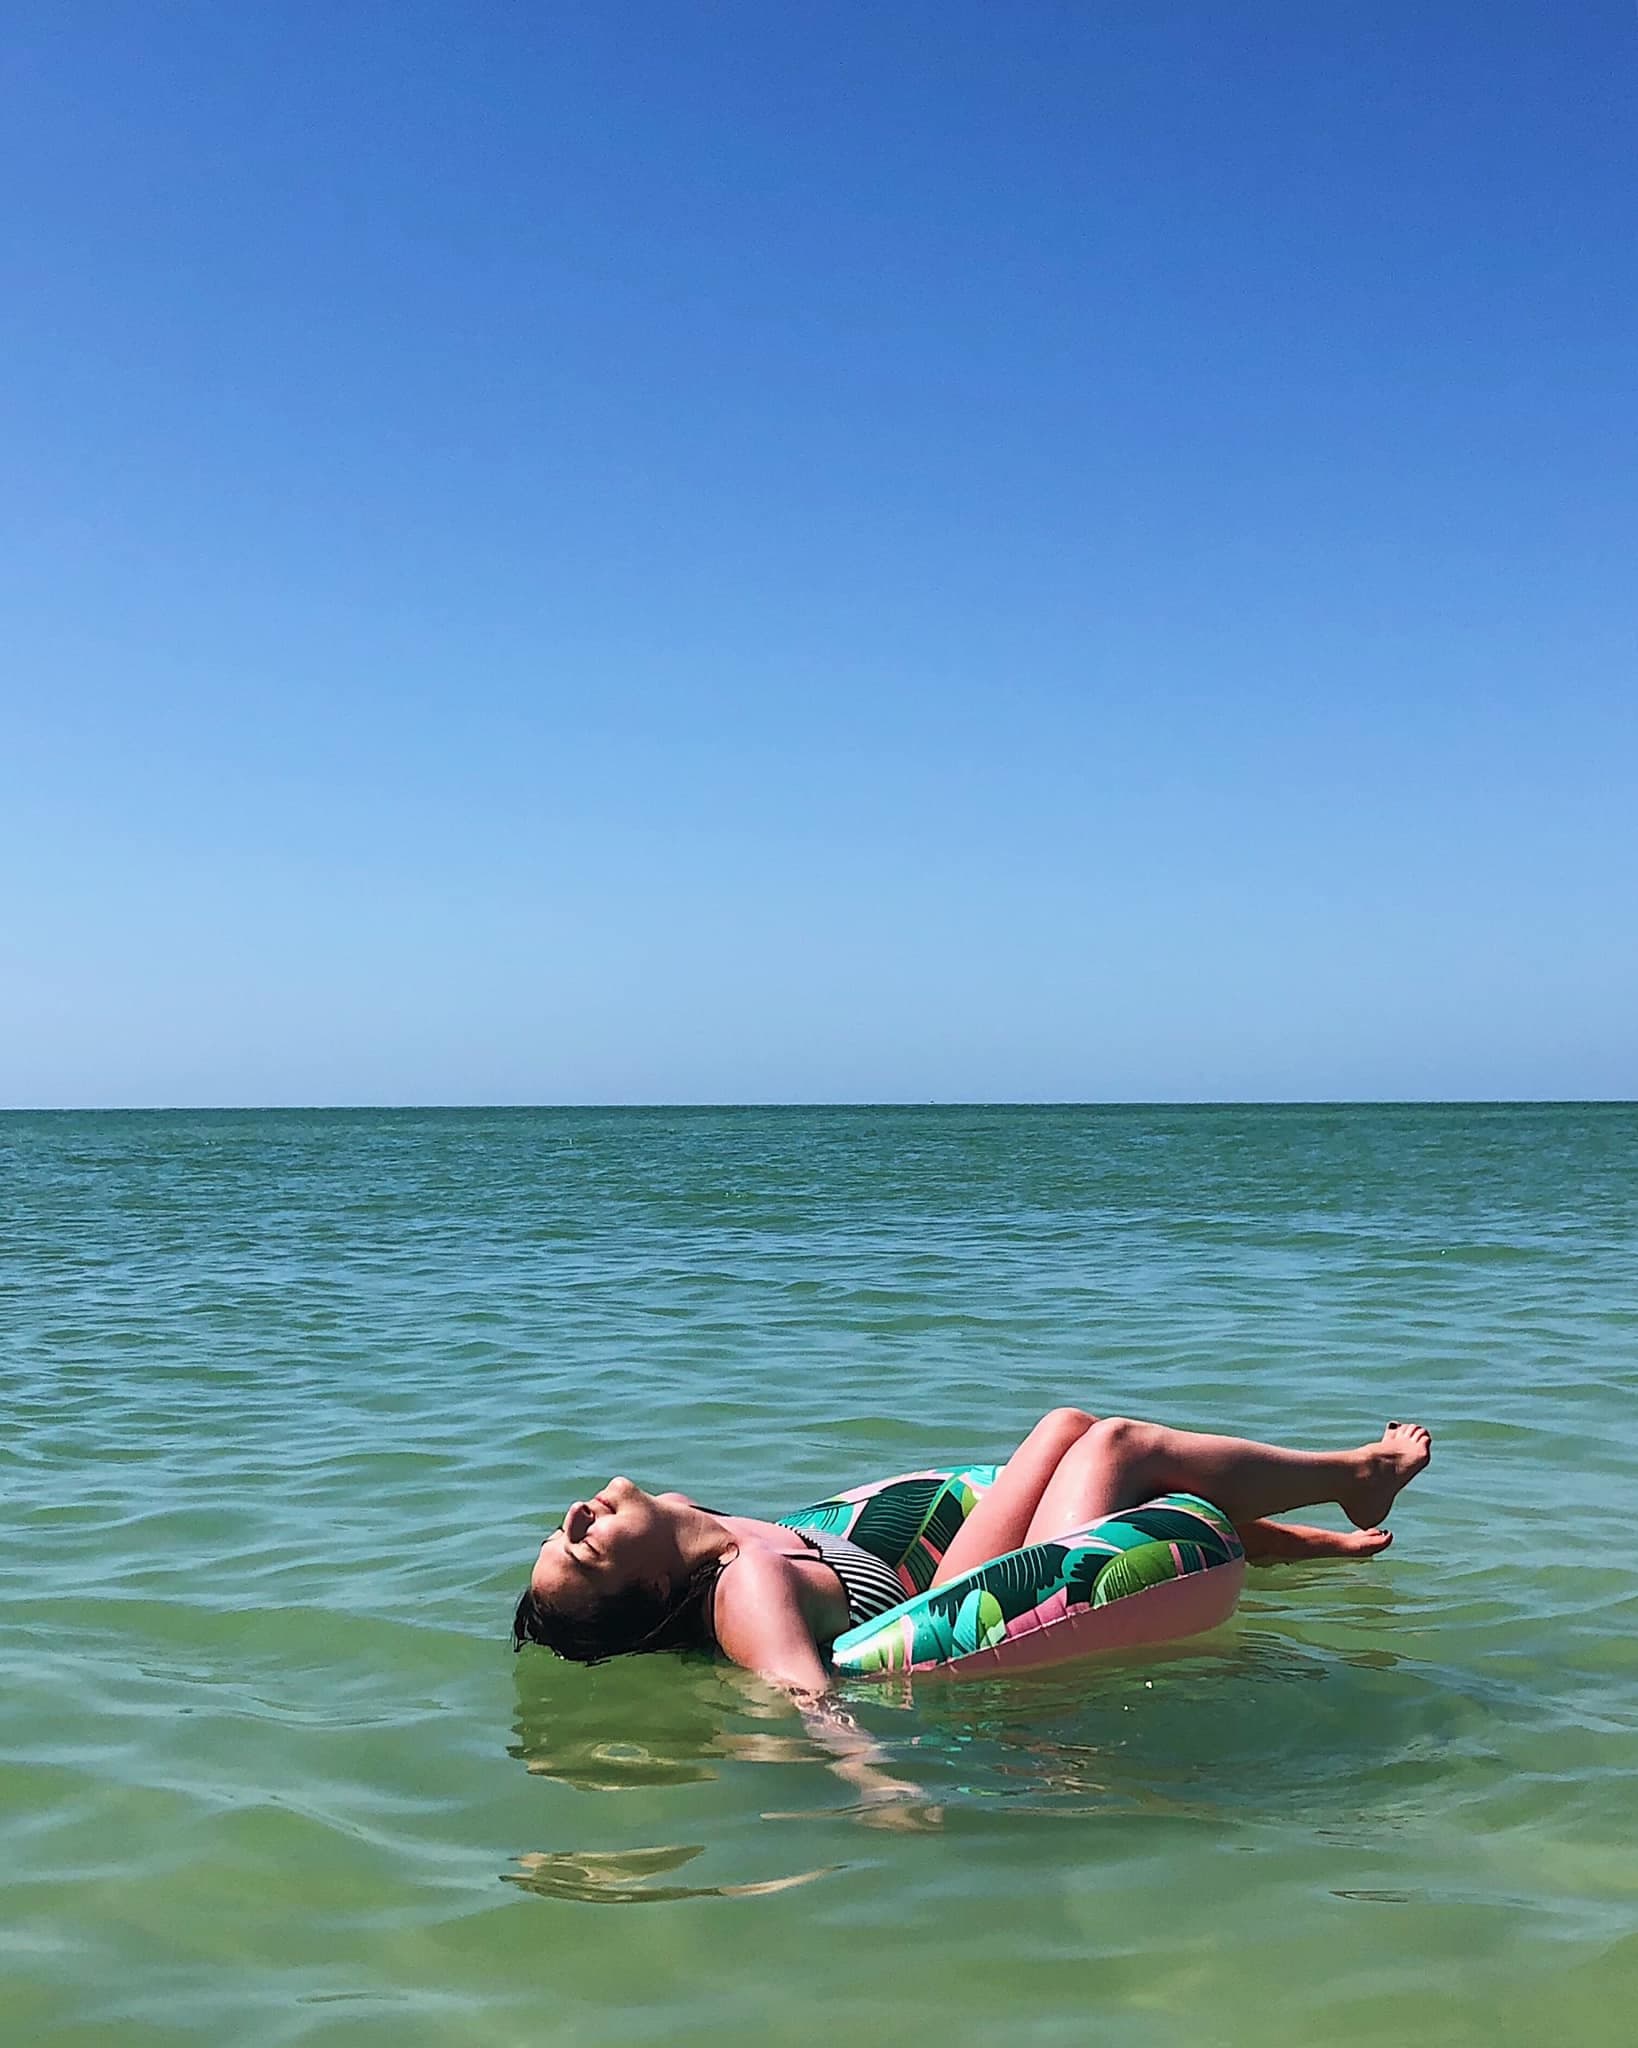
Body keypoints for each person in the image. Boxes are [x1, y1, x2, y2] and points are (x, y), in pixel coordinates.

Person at [513, 1409, 1431, 1704]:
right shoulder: (745, 1586)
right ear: (657, 1582)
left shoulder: (693, 1523)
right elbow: (804, 1693)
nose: (574, 1518)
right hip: (953, 1604)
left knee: (1069, 1431)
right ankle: (1360, 1475)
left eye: (561, 1534)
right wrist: (873, 1785)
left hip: (933, 1569)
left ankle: (1319, 1541)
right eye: (583, 1552)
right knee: (1113, 1447)